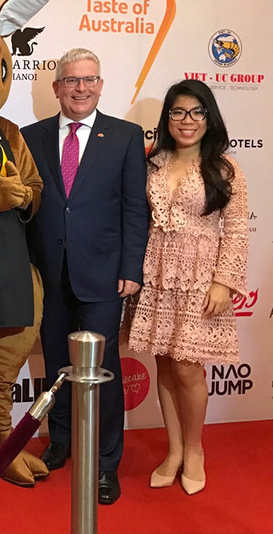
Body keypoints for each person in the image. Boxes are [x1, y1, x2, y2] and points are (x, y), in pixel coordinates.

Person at [21, 47, 149, 504]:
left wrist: (131, 268)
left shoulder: (126, 137)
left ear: (100, 85)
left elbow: (136, 208)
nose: (81, 88)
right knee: (57, 367)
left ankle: (106, 463)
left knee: (101, 373)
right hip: (48, 274)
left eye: (89, 79)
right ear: (56, 88)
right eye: (72, 80)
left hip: (104, 276)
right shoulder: (30, 137)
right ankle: (61, 441)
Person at [126, 79, 248, 495]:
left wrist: (223, 283)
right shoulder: (152, 162)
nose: (187, 120)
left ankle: (195, 450)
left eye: (197, 112)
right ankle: (174, 450)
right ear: (167, 119)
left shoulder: (225, 169)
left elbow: (236, 232)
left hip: (201, 277)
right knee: (164, 361)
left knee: (187, 365)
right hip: (157, 273)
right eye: (178, 112)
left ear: (209, 118)